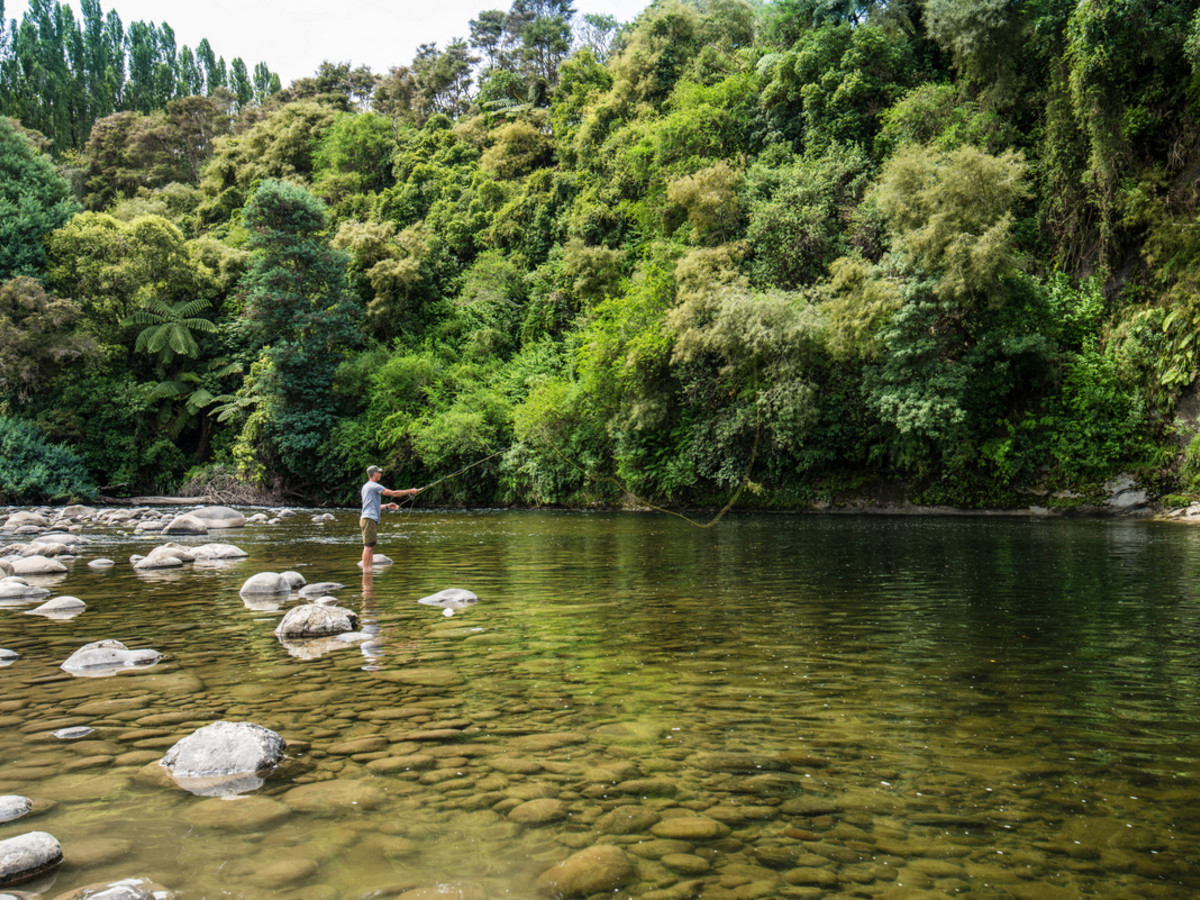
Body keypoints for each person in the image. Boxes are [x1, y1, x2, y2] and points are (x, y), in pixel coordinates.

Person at [360, 465, 421, 569]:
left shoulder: (366, 487)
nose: (380, 474)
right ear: (374, 474)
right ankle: (366, 572)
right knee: (368, 547)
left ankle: (368, 571)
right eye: (379, 472)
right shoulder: (374, 486)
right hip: (369, 519)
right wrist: (410, 491)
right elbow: (394, 493)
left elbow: (372, 505)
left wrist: (387, 506)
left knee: (371, 547)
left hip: (367, 519)